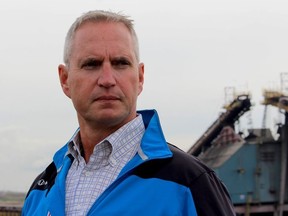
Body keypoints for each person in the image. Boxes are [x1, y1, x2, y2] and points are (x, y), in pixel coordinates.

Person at [22, 10, 236, 216]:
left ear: (140, 77)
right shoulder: (41, 190)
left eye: (121, 63)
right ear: (65, 80)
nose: (107, 79)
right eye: (91, 64)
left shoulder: (189, 183)